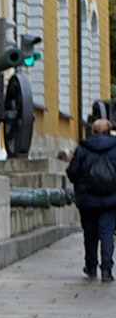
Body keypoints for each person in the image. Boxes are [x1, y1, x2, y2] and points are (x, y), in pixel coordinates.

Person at [67, 118, 116, 282]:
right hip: (111, 199)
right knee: (107, 233)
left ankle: (91, 265)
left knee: (90, 233)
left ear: (92, 131)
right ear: (109, 131)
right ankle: (107, 270)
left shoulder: (83, 147)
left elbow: (72, 172)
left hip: (87, 200)